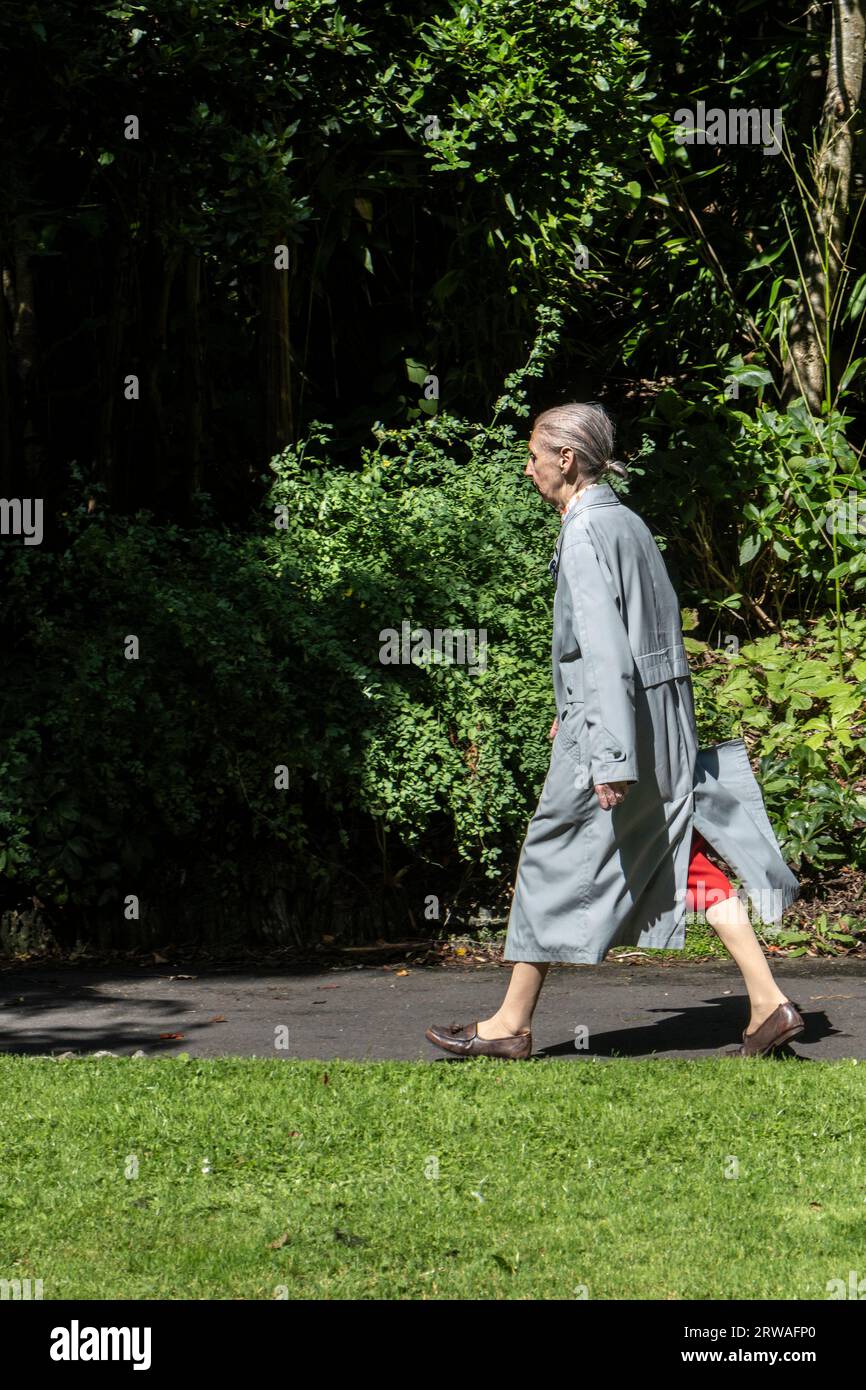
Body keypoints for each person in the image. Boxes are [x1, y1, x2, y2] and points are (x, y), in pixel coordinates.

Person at [426, 402, 804, 1061]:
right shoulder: (624, 519)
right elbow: (634, 640)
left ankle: (509, 1026)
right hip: (654, 716)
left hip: (616, 730)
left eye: (535, 455)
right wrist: (575, 706)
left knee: (549, 860)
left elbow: (604, 647)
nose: (528, 468)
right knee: (678, 854)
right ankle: (769, 1003)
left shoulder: (584, 531)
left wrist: (608, 754)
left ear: (565, 460)